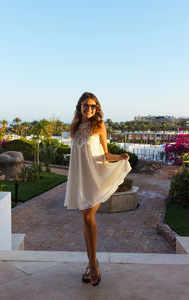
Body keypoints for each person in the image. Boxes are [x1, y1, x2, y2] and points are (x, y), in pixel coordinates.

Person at [64, 92, 132, 286]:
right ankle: (91, 262)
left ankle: (93, 265)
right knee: (85, 218)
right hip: (82, 178)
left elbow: (105, 153)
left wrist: (119, 157)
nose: (89, 109)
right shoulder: (75, 128)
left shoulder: (99, 125)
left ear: (97, 108)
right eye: (86, 105)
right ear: (80, 106)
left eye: (93, 106)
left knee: (87, 216)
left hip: (96, 176)